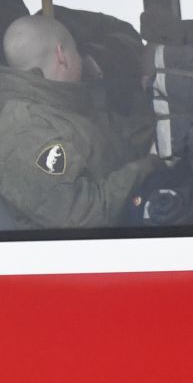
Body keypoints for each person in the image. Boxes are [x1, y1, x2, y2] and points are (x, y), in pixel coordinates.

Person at [0, 12, 166, 230]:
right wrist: (148, 165)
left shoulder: (59, 102)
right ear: (62, 55)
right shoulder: (25, 129)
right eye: (77, 51)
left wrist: (156, 114)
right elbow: (81, 214)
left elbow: (112, 140)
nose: (80, 58)